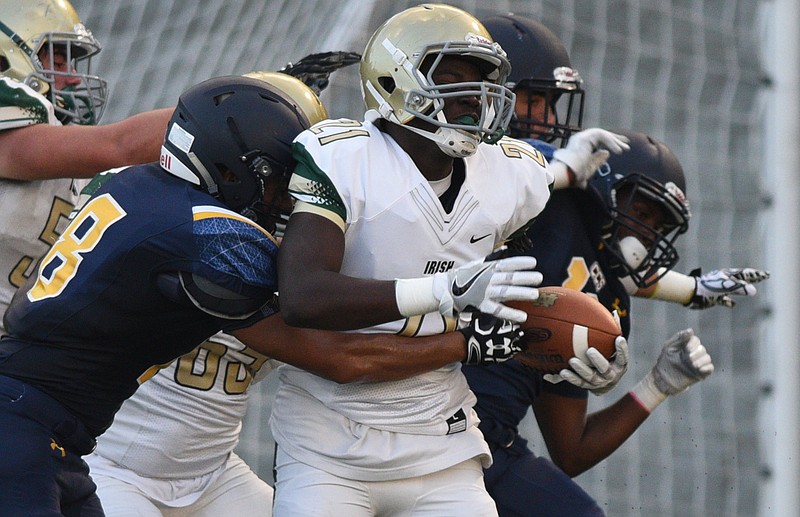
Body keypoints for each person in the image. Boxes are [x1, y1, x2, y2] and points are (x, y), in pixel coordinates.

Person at [0, 75, 524, 516]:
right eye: (280, 185)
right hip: (34, 431)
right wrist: (445, 298)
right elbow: (313, 303)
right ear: (233, 168)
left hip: (56, 431)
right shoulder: (211, 237)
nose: (286, 203)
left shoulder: (127, 185)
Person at [271, 5, 627, 516]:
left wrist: (575, 356)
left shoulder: (512, 177)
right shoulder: (344, 158)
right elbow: (304, 297)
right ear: (394, 77)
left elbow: (519, 300)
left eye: (481, 81)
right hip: (328, 443)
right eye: (452, 78)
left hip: (442, 438)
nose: (473, 96)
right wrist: (443, 291)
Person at [460, 13, 769, 517]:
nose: (545, 117)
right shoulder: (527, 191)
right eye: (532, 99)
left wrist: (656, 385)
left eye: (657, 223)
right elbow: (498, 175)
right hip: (413, 399)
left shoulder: (605, 293)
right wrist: (687, 290)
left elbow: (572, 450)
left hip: (486, 441)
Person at [81, 71, 331, 517]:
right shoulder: (167, 223)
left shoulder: (301, 246)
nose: (294, 195)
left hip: (213, 474)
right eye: (283, 175)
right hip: (108, 463)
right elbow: (338, 357)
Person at [0, 0, 172, 338]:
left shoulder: (68, 158)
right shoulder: (17, 116)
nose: (73, 78)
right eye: (59, 60)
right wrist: (235, 107)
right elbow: (117, 146)